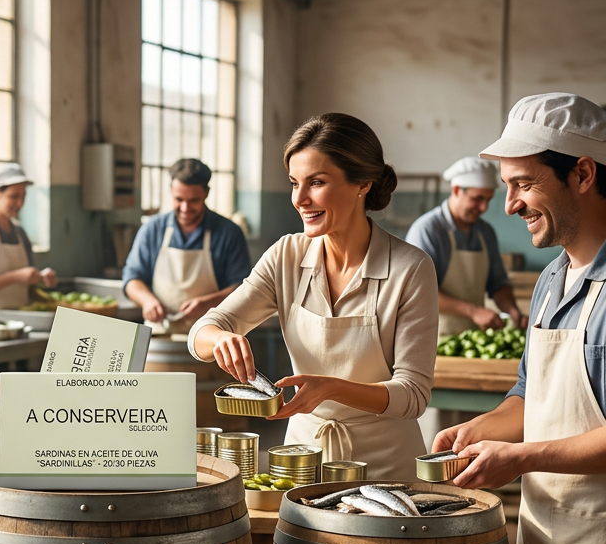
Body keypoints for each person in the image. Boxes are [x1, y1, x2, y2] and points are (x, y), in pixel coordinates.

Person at [433, 93, 606, 544]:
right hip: (545, 542)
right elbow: (530, 395)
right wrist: (479, 429)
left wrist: (522, 457)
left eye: (524, 184)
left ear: (581, 173)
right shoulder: (553, 280)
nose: (508, 206)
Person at [189, 113, 438, 481]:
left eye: (316, 182)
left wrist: (331, 388)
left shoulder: (410, 268)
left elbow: (412, 395)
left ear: (363, 183)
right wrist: (220, 338)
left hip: (386, 471)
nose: (300, 199)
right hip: (301, 464)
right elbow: (202, 332)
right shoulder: (285, 256)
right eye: (294, 183)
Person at [122, 158, 251, 333]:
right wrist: (147, 301)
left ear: (206, 193)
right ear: (171, 190)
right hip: (158, 335)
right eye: (179, 199)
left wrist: (208, 303)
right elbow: (132, 277)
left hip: (211, 335)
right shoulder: (152, 229)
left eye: (193, 200)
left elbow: (244, 288)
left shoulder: (229, 233)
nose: (185, 208)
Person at [406, 156, 526, 335]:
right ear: (456, 190)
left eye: (488, 200)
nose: (484, 207)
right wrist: (474, 311)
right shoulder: (427, 230)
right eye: (477, 199)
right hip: (432, 337)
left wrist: (512, 310)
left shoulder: (485, 232)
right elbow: (420, 292)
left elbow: (497, 283)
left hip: (472, 337)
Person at [0, 163, 56, 322]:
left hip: (21, 320)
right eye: (14, 196)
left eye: (23, 196)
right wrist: (16, 276)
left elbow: (28, 280)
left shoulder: (19, 232)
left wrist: (41, 278)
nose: (20, 203)